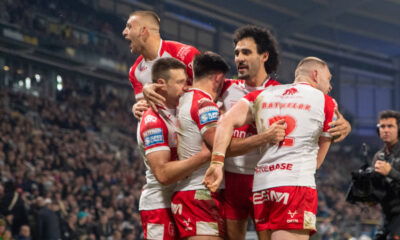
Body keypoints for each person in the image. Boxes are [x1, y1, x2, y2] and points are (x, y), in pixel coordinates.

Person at [143, 25, 351, 240]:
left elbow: (318, 113)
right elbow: (175, 82)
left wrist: (344, 124)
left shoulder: (279, 92)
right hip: (231, 180)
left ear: (264, 56)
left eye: (246, 52)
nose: (239, 58)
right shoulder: (223, 87)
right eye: (237, 53)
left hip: (263, 177)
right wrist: (148, 89)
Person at [204, 57, 340, 240]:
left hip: (262, 187)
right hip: (295, 186)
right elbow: (316, 163)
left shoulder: (263, 94)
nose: (330, 85)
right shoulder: (326, 102)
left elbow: (226, 121)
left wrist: (217, 161)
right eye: (328, 79)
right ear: (315, 75)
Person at [171, 52, 286, 240]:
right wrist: (265, 137)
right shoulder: (205, 104)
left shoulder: (182, 98)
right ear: (218, 78)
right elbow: (221, 146)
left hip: (191, 192)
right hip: (199, 193)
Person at [137, 57, 211, 240]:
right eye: (179, 82)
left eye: (186, 81)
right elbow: (162, 174)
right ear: (161, 84)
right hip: (159, 204)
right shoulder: (152, 120)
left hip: (180, 199)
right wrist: (203, 156)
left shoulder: (181, 108)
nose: (185, 87)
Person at [122, 10, 200, 118]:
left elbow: (208, 92)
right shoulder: (134, 72)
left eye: (129, 27)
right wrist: (137, 108)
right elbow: (145, 109)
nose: (124, 32)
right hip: (171, 129)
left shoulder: (185, 54)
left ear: (143, 31)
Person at [372, 110, 400, 240]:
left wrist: (391, 173)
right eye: (382, 126)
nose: (386, 130)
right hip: (387, 214)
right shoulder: (378, 156)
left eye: (390, 126)